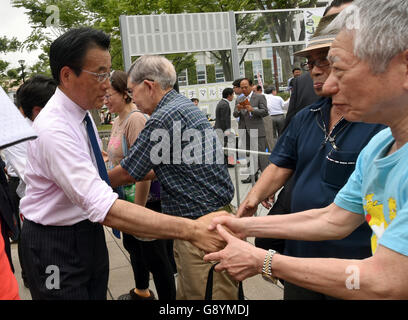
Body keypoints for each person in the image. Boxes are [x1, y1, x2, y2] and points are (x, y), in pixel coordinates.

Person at [205, 0, 408, 299]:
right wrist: (241, 223)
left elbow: (386, 281)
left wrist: (263, 261)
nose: (327, 86)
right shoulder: (380, 146)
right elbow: (332, 218)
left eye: (340, 69)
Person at [19, 27, 228, 300]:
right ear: (67, 75)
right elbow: (103, 203)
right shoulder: (54, 129)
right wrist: (191, 229)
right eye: (100, 74)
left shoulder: (82, 117)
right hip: (56, 243)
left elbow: (112, 179)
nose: (107, 84)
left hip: (86, 232)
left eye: (109, 73)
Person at [108, 55, 238, 300]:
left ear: (149, 86)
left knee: (209, 294)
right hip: (209, 218)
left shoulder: (162, 117)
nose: (132, 98)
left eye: (132, 91)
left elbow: (128, 171)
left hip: (201, 226)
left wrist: (90, 185)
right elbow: (170, 164)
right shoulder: (182, 105)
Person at [105, 70, 176, 300]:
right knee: (135, 249)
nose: (105, 100)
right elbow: (121, 156)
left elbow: (144, 168)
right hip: (127, 199)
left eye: (109, 95)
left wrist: (138, 209)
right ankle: (141, 291)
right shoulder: (118, 119)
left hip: (145, 201)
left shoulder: (136, 119)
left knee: (156, 258)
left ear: (125, 94)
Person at [233, 78, 269, 184]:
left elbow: (265, 111)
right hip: (244, 130)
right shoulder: (239, 99)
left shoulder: (259, 97)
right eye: (242, 87)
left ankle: (266, 175)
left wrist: (252, 110)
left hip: (257, 129)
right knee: (248, 154)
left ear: (251, 86)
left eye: (246, 87)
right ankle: (252, 175)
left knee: (260, 153)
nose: (243, 89)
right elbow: (235, 114)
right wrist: (238, 110)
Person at [214, 87, 234, 168]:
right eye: (233, 94)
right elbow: (224, 119)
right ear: (229, 95)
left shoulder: (221, 103)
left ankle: (226, 162)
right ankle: (228, 163)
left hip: (219, 129)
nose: (233, 96)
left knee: (224, 146)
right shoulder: (224, 104)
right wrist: (227, 130)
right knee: (227, 146)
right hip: (222, 129)